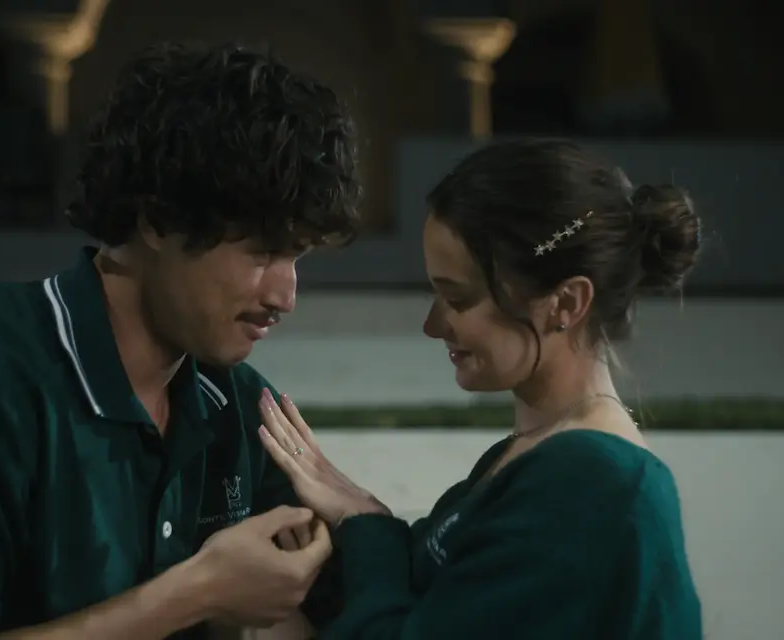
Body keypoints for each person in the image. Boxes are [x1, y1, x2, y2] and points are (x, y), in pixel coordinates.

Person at [0, 42, 361, 640]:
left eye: (298, 257)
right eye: (264, 252)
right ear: (159, 219)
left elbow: (344, 610)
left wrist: (360, 518)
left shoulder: (234, 406)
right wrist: (194, 594)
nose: (285, 296)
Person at [257, 139, 704, 638]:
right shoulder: (536, 456)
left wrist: (367, 525)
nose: (432, 325)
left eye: (459, 299)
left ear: (566, 303)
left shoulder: (596, 486)